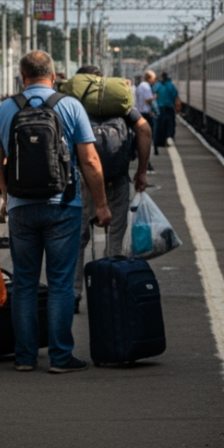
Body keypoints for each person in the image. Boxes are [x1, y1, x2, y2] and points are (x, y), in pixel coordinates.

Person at [0, 51, 112, 374]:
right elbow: (91, 162)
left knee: (25, 283)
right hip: (63, 207)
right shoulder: (70, 106)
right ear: (53, 77)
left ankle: (25, 357)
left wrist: (7, 191)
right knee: (60, 284)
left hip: (22, 210)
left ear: (22, 77)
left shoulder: (6, 108)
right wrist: (102, 204)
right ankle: (60, 356)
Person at [69, 65, 152, 311]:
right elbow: (145, 130)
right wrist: (142, 170)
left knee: (78, 239)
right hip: (116, 179)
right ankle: (111, 290)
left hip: (84, 179)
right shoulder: (120, 103)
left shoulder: (74, 103)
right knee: (115, 236)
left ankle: (74, 295)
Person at [151, 70, 180, 154]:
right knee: (170, 124)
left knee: (160, 125)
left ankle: (161, 140)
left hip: (160, 108)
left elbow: (153, 94)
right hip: (170, 107)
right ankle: (169, 137)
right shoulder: (171, 85)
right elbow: (175, 94)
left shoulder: (157, 85)